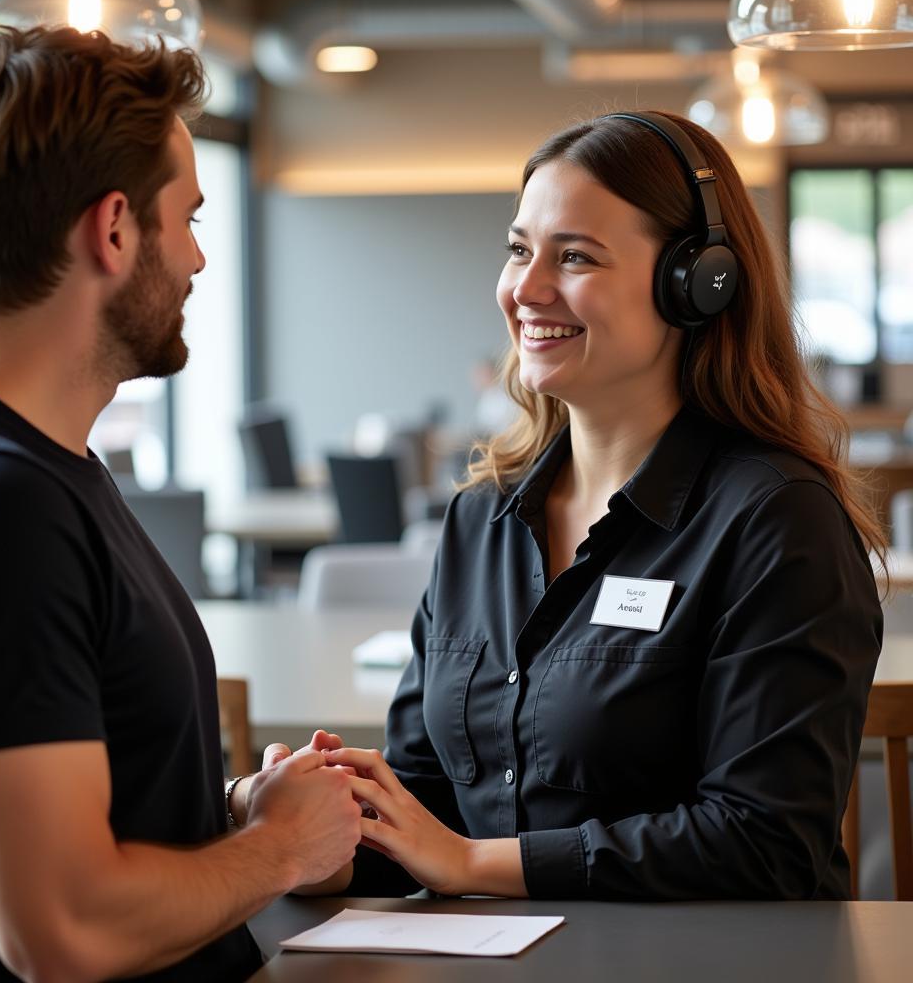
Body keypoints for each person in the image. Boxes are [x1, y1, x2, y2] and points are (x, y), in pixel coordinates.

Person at [295, 110, 886, 900]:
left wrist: (477, 865)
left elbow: (766, 842)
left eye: (574, 256)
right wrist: (318, 835)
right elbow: (425, 807)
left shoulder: (776, 520)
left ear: (697, 285)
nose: (525, 289)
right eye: (518, 250)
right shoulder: (483, 518)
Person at [0, 25, 361, 982]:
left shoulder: (32, 471)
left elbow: (76, 816)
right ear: (112, 230)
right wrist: (281, 852)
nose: (195, 260)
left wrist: (236, 810)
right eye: (185, 218)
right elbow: (61, 928)